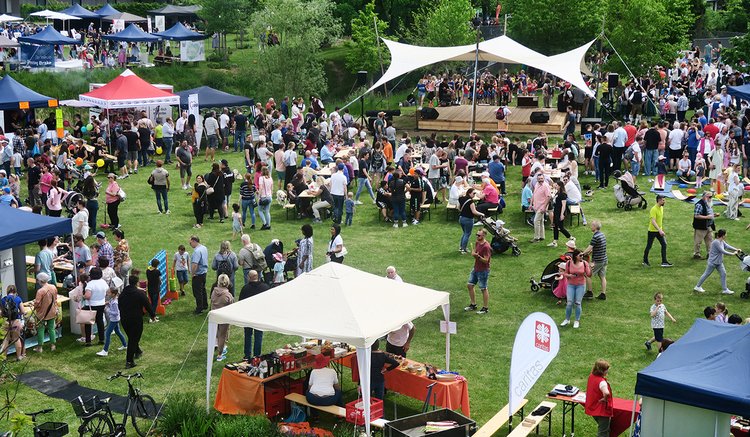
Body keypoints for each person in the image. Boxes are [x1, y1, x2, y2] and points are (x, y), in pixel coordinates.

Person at [119, 269, 156, 368]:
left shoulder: (122, 294)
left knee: (132, 337)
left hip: (124, 319)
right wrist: (153, 315)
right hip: (135, 319)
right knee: (133, 339)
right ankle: (129, 361)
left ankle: (138, 351)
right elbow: (148, 305)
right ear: (137, 283)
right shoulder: (139, 294)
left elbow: (120, 306)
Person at [694, 229, 740, 295]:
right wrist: (733, 254)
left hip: (719, 262)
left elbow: (727, 246)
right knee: (706, 274)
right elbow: (722, 251)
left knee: (723, 274)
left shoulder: (722, 241)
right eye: (725, 234)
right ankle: (697, 287)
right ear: (723, 235)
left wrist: (736, 249)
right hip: (713, 262)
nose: (726, 235)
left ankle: (725, 289)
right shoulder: (716, 242)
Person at [239, 270, 270, 359]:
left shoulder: (245, 288)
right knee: (258, 335)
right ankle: (257, 355)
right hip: (260, 315)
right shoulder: (265, 287)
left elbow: (240, 303)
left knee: (248, 335)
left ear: (249, 277)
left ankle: (247, 355)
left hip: (248, 316)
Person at [560, 249, 591, 329]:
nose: (582, 257)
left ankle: (577, 320)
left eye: (582, 255)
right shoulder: (569, 263)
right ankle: (567, 319)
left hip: (580, 285)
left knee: (578, 303)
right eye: (580, 255)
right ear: (575, 256)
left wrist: (590, 268)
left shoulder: (584, 263)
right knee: (569, 303)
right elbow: (565, 273)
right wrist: (569, 276)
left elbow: (589, 274)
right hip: (571, 285)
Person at [464, 228, 492, 315]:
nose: (477, 236)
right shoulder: (477, 243)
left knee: (483, 288)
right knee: (469, 285)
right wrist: (474, 254)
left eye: (479, 235)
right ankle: (473, 304)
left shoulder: (486, 246)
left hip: (483, 270)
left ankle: (485, 308)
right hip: (476, 268)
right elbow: (476, 253)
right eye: (476, 234)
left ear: (484, 236)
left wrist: (477, 256)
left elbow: (486, 260)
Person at [584, 359, 613, 437]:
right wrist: (605, 399)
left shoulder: (591, 376)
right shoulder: (602, 382)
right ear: (602, 371)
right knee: (603, 432)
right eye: (606, 370)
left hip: (593, 406)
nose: (607, 372)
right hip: (601, 410)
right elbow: (606, 393)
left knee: (604, 428)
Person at [96, 286, 128, 357]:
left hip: (114, 319)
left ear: (113, 294)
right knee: (118, 332)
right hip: (115, 319)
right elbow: (109, 302)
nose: (107, 293)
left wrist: (108, 311)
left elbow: (116, 312)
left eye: (109, 292)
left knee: (107, 333)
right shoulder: (112, 299)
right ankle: (125, 345)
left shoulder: (115, 303)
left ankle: (105, 350)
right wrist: (105, 303)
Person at [642, 195, 672, 267]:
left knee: (664, 244)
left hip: (659, 230)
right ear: (659, 200)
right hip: (652, 231)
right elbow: (653, 221)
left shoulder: (661, 208)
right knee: (649, 246)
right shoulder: (653, 209)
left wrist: (660, 229)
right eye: (663, 200)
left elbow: (659, 220)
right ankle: (645, 261)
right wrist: (660, 230)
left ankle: (664, 262)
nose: (664, 201)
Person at [211, 274, 234, 362]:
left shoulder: (214, 292)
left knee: (216, 334)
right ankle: (220, 354)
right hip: (223, 317)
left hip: (214, 315)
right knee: (222, 335)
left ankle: (217, 346)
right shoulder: (228, 295)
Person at [582, 221, 608, 300]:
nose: (590, 227)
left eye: (592, 225)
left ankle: (589, 292)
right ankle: (603, 294)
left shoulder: (595, 237)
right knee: (602, 276)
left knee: (587, 274)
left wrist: (582, 254)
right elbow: (599, 246)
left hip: (597, 261)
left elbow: (590, 247)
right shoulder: (602, 235)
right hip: (604, 260)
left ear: (595, 227)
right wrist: (591, 251)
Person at [33, 272, 58, 353]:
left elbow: (37, 304)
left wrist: (34, 304)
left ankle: (40, 347)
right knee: (51, 329)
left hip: (42, 313)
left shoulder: (40, 291)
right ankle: (53, 345)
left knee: (40, 329)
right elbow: (55, 298)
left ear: (40, 280)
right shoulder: (53, 287)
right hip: (52, 311)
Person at [83, 267, 108, 346]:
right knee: (100, 321)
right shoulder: (103, 282)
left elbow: (87, 296)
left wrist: (82, 296)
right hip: (101, 304)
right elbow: (107, 292)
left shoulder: (90, 284)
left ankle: (88, 341)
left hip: (91, 305)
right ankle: (101, 339)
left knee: (88, 323)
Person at [1, 285, 25, 360]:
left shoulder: (3, 299)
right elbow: (23, 311)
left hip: (7, 322)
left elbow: (1, 313)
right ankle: (19, 357)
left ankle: (4, 358)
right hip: (15, 322)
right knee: (16, 339)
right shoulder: (18, 298)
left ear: (7, 291)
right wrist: (18, 314)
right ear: (15, 291)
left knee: (6, 340)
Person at [458, 187, 485, 254]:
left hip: (461, 218)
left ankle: (461, 247)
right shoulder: (471, 202)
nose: (474, 195)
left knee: (464, 233)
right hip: (468, 219)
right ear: (469, 193)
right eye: (473, 193)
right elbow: (474, 211)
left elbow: (458, 207)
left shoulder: (461, 199)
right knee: (467, 234)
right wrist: (482, 214)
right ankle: (463, 249)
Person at [693, 191, 718, 259]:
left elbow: (708, 214)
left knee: (710, 240)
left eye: (711, 197)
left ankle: (710, 253)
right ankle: (696, 254)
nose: (710, 198)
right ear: (704, 197)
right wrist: (707, 217)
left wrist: (714, 215)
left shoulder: (709, 204)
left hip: (708, 226)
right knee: (698, 241)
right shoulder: (699, 205)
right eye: (709, 197)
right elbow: (696, 216)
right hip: (701, 226)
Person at [549, 180, 573, 248]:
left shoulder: (563, 194)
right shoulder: (558, 192)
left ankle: (570, 237)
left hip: (560, 212)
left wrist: (562, 214)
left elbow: (563, 205)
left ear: (559, 186)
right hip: (556, 211)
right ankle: (554, 241)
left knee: (560, 227)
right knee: (555, 226)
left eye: (556, 185)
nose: (555, 186)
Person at [190, 236, 209, 314]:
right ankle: (205, 305)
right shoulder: (204, 248)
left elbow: (195, 264)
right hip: (204, 272)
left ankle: (199, 308)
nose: (190, 244)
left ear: (194, 241)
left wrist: (193, 273)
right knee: (203, 289)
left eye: (190, 242)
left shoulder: (196, 251)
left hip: (198, 274)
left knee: (197, 292)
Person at [531, 172, 551, 243]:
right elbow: (534, 194)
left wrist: (544, 207)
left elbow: (548, 197)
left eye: (542, 178)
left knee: (536, 221)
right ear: (537, 179)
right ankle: (542, 236)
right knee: (541, 221)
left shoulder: (546, 186)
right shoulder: (536, 184)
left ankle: (536, 238)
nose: (540, 180)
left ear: (544, 178)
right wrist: (531, 204)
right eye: (539, 179)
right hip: (536, 206)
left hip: (542, 207)